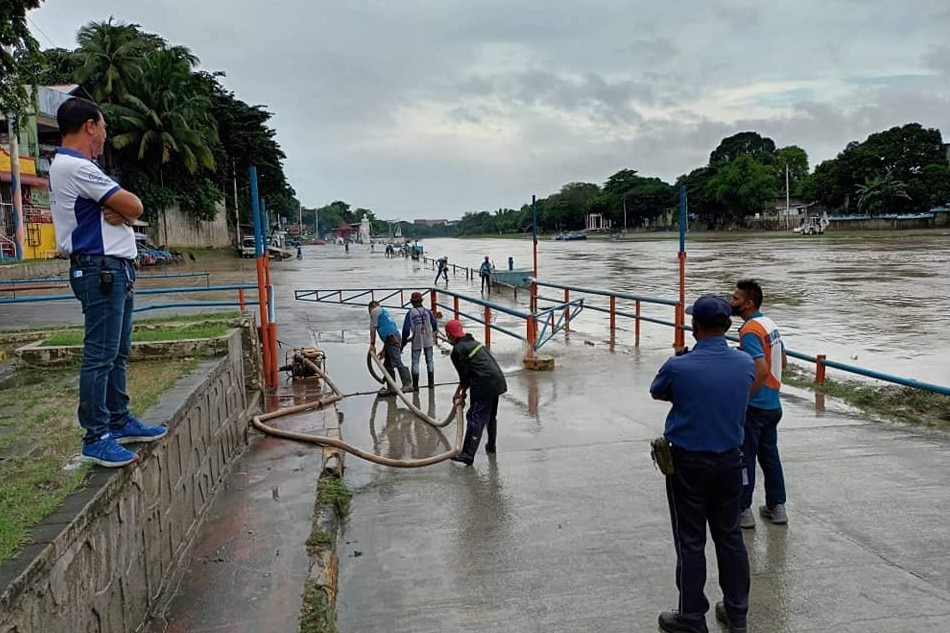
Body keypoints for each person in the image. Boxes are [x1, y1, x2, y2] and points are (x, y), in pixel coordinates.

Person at [50, 97, 168, 468]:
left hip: (113, 269)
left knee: (116, 352)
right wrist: (125, 210)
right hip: (100, 270)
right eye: (103, 128)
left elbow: (124, 211)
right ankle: (96, 435)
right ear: (89, 126)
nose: (104, 136)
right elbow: (135, 206)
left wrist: (122, 212)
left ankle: (118, 420)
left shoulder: (79, 168)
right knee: (100, 355)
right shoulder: (77, 167)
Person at [650, 295, 754, 633]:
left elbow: (658, 391)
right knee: (730, 538)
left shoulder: (679, 366)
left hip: (688, 465)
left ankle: (692, 617)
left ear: (694, 327)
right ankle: (737, 613)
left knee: (691, 541)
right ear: (727, 327)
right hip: (730, 462)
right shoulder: (745, 363)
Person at [730, 279, 789, 529]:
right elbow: (782, 361)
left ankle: (743, 510)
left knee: (745, 459)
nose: (731, 302)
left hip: (755, 406)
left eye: (735, 299)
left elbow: (761, 369)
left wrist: (746, 398)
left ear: (748, 303)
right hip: (773, 405)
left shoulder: (750, 330)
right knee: (770, 457)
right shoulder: (769, 324)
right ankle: (777, 506)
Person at [445, 319, 507, 465]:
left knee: (475, 417)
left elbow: (464, 376)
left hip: (483, 384)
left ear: (449, 335)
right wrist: (461, 392)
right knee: (490, 416)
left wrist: (460, 393)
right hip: (497, 381)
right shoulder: (474, 343)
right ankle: (491, 446)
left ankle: (467, 454)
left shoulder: (458, 350)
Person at [368, 300, 413, 395]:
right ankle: (391, 388)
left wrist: (372, 344)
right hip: (392, 338)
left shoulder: (374, 311)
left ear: (371, 308)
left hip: (392, 338)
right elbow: (388, 332)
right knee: (388, 365)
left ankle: (408, 384)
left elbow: (373, 328)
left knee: (397, 361)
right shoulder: (384, 312)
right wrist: (384, 350)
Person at [401, 291, 438, 390]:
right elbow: (434, 325)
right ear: (421, 301)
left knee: (415, 362)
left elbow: (405, 330)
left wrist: (403, 342)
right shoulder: (428, 311)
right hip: (428, 339)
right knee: (430, 361)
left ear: (412, 302)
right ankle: (431, 384)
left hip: (416, 340)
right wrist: (434, 333)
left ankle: (416, 386)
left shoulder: (410, 313)